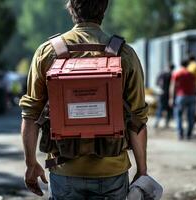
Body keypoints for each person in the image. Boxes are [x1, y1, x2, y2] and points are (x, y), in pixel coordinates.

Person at [19, 0, 149, 199]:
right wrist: (142, 170)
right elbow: (138, 119)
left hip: (63, 171)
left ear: (71, 9)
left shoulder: (47, 52)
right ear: (104, 9)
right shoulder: (125, 54)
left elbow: (30, 114)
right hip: (112, 172)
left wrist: (31, 164)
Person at [169, 60, 196, 140]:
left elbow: (172, 87)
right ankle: (189, 134)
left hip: (181, 97)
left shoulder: (177, 73)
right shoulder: (191, 74)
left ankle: (180, 134)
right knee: (190, 116)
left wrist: (171, 98)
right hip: (191, 96)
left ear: (180, 65)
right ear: (187, 65)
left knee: (179, 116)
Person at [154, 64, 174, 128]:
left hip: (161, 93)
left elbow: (157, 83)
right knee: (168, 109)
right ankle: (166, 123)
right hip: (168, 94)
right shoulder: (171, 75)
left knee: (160, 108)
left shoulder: (161, 74)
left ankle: (157, 122)